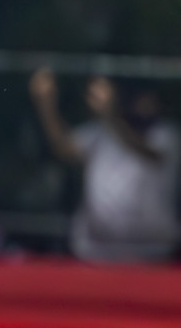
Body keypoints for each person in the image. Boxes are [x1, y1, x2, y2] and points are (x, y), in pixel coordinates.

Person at [29, 68, 180, 263]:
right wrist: (46, 104)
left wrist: (110, 116)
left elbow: (148, 154)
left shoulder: (166, 135)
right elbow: (64, 148)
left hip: (154, 252)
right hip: (97, 251)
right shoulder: (98, 132)